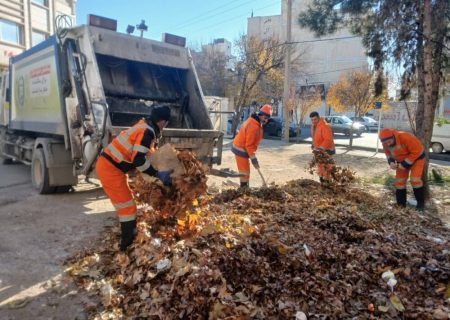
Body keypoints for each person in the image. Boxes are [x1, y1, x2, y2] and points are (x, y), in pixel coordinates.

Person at [96, 105, 172, 250]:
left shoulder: (145, 125)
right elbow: (138, 159)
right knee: (128, 208)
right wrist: (156, 174)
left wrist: (161, 168)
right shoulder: (147, 132)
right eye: (167, 123)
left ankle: (129, 236)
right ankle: (126, 245)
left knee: (128, 204)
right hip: (110, 169)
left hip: (112, 167)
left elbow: (147, 153)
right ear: (163, 122)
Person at [379, 128, 425, 211]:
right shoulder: (385, 143)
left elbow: (417, 151)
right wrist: (391, 162)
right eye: (385, 143)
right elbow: (388, 153)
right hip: (401, 161)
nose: (387, 144)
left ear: (393, 137)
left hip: (417, 159)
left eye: (389, 142)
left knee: (415, 180)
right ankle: (401, 205)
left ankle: (421, 204)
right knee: (399, 182)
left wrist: (405, 164)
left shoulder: (405, 137)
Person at [231, 104, 273, 188]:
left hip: (243, 148)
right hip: (240, 149)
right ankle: (244, 189)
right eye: (265, 118)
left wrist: (252, 156)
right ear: (260, 115)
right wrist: (253, 158)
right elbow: (249, 145)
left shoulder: (256, 122)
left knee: (245, 171)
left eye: (267, 119)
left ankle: (245, 188)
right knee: (244, 172)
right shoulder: (253, 126)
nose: (266, 120)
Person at [309, 111, 335, 182]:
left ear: (318, 118)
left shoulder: (325, 126)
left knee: (326, 168)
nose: (313, 121)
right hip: (319, 150)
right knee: (320, 167)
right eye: (312, 120)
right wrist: (313, 145)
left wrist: (320, 148)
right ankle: (322, 181)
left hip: (327, 150)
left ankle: (327, 183)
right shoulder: (314, 126)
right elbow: (315, 137)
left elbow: (328, 139)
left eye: (315, 119)